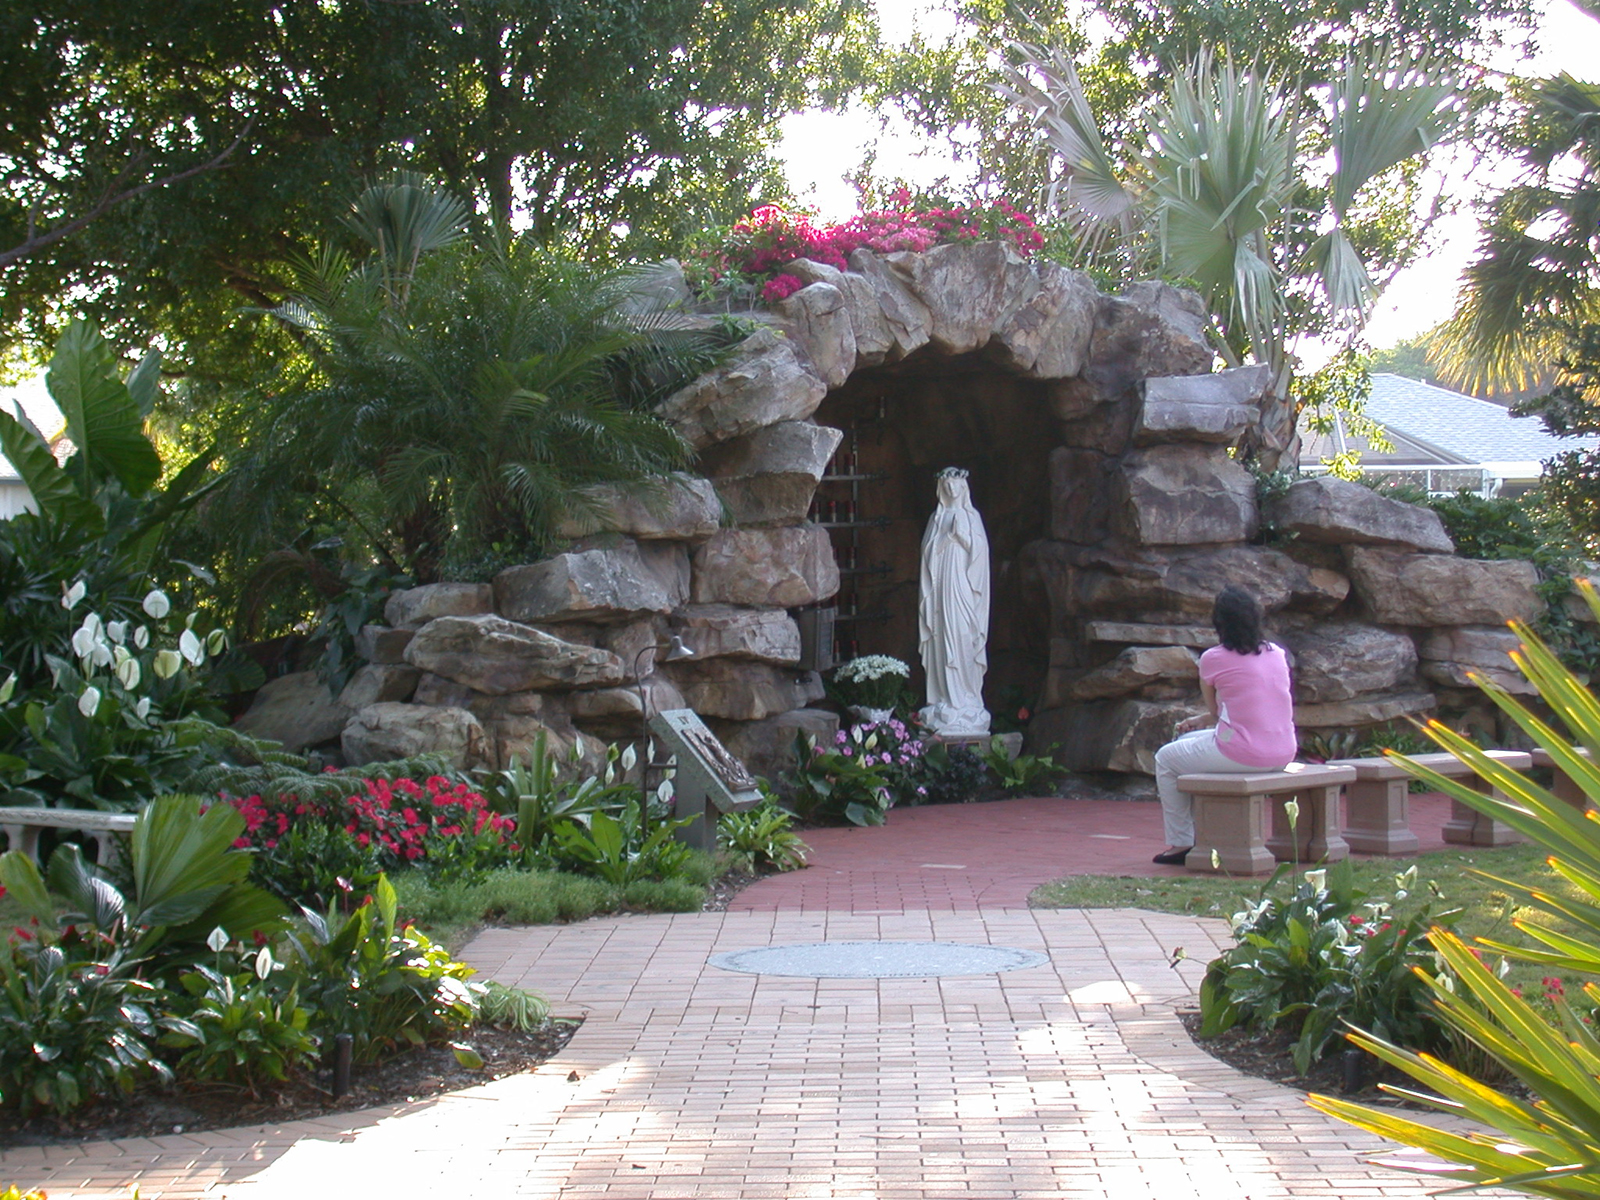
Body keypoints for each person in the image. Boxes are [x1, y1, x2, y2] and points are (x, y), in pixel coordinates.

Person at [1150, 585, 1297, 865]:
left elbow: (1216, 710)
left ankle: (1182, 843)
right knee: (1183, 744)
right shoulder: (1276, 653)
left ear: (1220, 622)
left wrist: (1205, 718)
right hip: (1283, 751)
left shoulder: (1213, 658)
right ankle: (1202, 835)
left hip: (1244, 752)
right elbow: (1243, 705)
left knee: (1166, 758)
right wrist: (1198, 722)